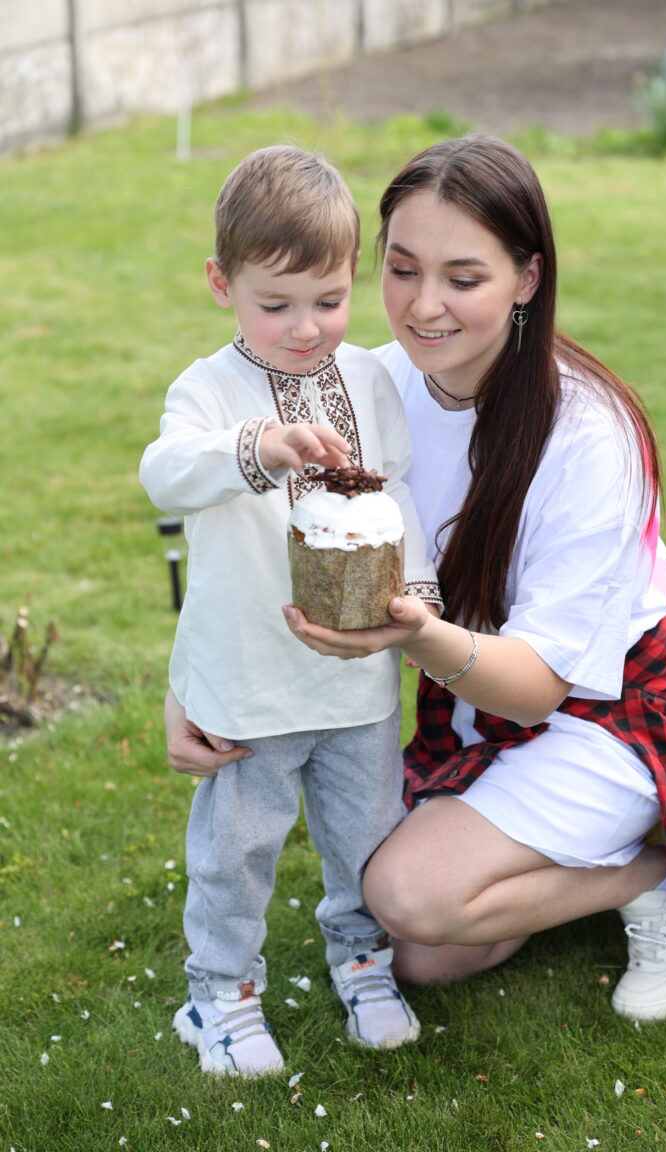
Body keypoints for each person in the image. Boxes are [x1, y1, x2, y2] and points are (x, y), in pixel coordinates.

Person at [168, 136, 666, 1024]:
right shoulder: (370, 386)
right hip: (468, 690)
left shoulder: (590, 435)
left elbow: (537, 691)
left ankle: (657, 866)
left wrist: (411, 632)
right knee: (420, 953)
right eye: (402, 269)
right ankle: (579, 871)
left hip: (612, 709)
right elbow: (253, 537)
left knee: (408, 894)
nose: (424, 306)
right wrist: (194, 687)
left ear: (527, 278)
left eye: (464, 277)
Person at [140, 145, 442, 1079]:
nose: (306, 329)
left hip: (355, 682)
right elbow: (164, 472)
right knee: (237, 850)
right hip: (248, 680)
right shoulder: (210, 392)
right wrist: (258, 445)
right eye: (276, 305)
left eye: (328, 300)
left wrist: (418, 595)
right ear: (220, 284)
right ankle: (220, 995)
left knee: (367, 837)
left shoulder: (370, 381)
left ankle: (362, 962)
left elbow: (398, 502)